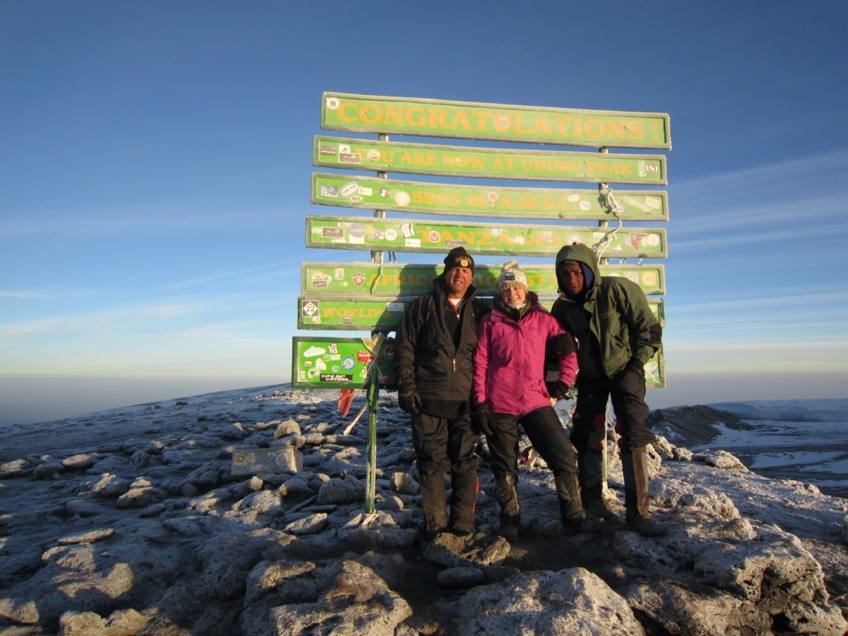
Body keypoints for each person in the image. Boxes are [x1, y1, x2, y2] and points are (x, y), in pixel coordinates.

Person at [472, 260, 598, 541]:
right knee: (505, 466)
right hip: (499, 403)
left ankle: (574, 517)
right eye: (506, 289)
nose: (512, 293)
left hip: (535, 400)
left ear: (526, 290)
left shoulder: (543, 320)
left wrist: (563, 383)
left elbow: (569, 351)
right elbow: (480, 363)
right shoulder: (490, 322)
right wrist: (480, 402)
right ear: (500, 293)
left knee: (564, 457)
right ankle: (510, 522)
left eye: (517, 287)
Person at [550, 243, 665, 537]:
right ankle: (594, 505)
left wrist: (637, 364)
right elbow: (558, 348)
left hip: (625, 369)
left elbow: (649, 329)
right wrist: (556, 381)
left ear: (589, 271)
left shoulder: (617, 290)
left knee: (633, 434)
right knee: (587, 435)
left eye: (577, 272)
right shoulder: (562, 308)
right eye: (565, 274)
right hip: (590, 377)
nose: (572, 279)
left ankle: (638, 512)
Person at [395, 246, 491, 539]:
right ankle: (436, 526)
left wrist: (487, 399)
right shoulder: (422, 306)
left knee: (465, 463)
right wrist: (407, 386)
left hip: (467, 401)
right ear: (445, 272)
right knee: (431, 463)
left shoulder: (482, 311)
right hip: (428, 400)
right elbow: (404, 348)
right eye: (454, 269)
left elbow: (496, 352)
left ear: (471, 277)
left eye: (465, 271)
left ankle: (463, 526)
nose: (459, 275)